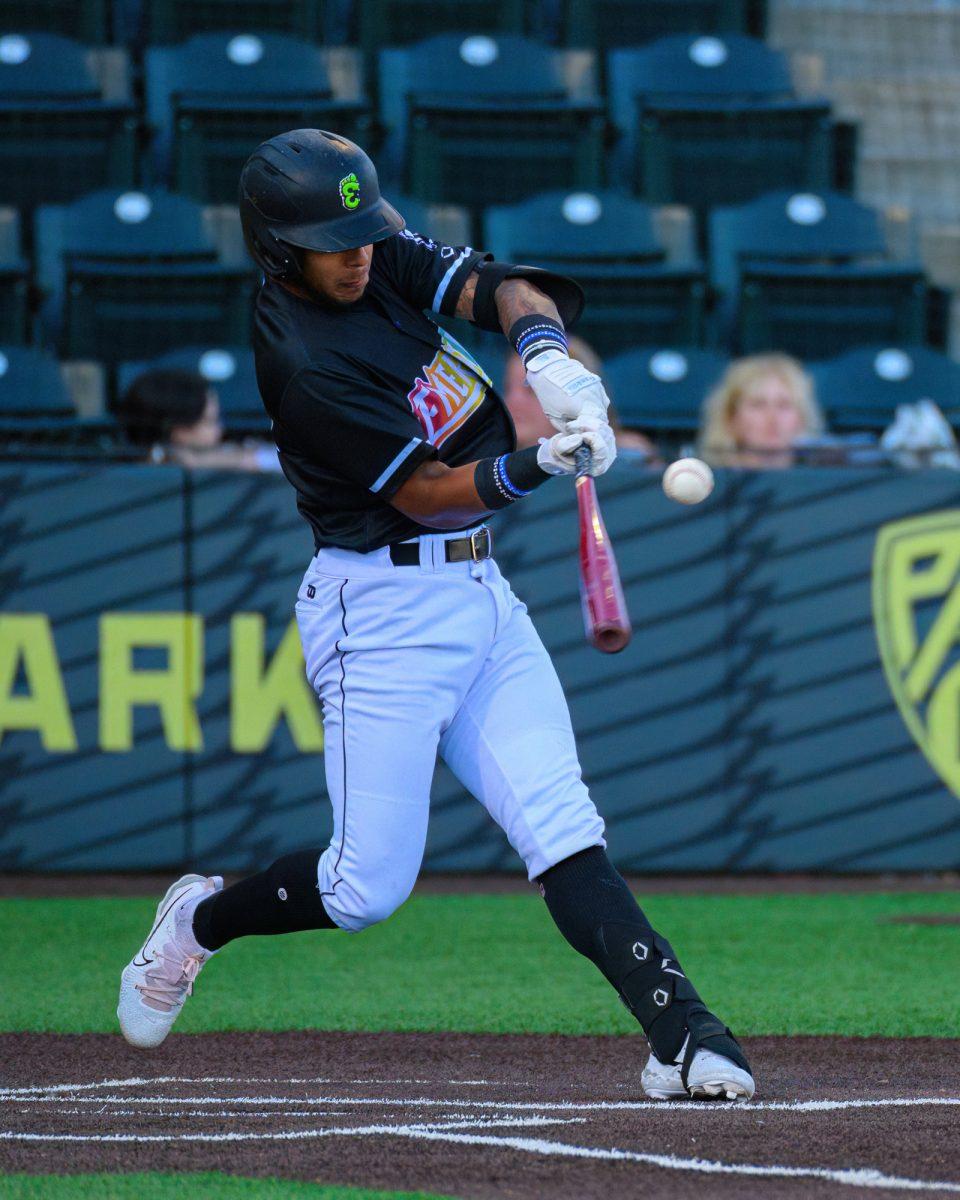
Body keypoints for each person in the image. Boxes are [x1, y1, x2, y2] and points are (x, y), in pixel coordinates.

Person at [116, 129, 754, 1103]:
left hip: (479, 595)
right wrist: (538, 462)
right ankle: (199, 922)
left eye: (365, 230)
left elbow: (502, 287)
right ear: (281, 249)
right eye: (336, 240)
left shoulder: (370, 259)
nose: (362, 251)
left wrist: (545, 358)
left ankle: (686, 1033)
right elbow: (428, 494)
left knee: (563, 827)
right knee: (363, 889)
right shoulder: (304, 360)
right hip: (378, 609)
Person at [503, 335, 660, 461]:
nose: (511, 402)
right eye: (508, 389)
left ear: (580, 396)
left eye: (532, 391)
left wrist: (636, 463)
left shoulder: (626, 460)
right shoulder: (488, 471)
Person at [115, 367, 279, 472]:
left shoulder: (213, 456)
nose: (220, 429)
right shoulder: (142, 470)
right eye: (210, 421)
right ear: (177, 428)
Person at [697, 353, 824, 468]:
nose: (773, 417)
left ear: (802, 419)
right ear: (731, 418)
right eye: (758, 404)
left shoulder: (827, 481)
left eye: (784, 405)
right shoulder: (710, 485)